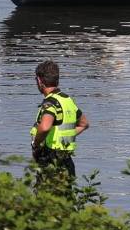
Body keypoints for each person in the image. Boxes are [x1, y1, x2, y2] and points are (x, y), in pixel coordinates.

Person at [30, 59, 89, 188]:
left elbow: (45, 127)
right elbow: (84, 124)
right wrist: (66, 136)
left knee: (46, 203)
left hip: (51, 161)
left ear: (40, 81)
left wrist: (36, 144)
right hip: (67, 161)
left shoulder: (50, 103)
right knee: (65, 203)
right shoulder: (67, 100)